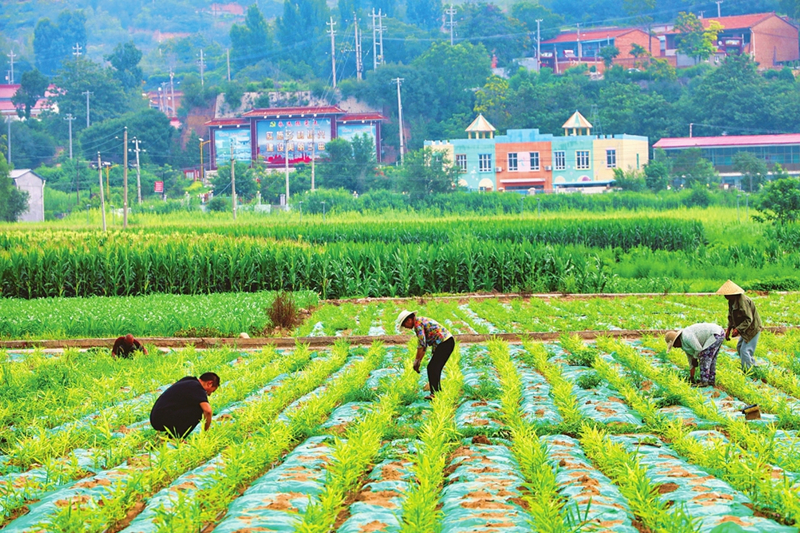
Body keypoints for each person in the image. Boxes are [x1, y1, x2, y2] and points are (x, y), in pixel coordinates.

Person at [397, 310, 454, 399]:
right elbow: (423, 345)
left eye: (404, 325)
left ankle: (435, 394)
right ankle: (436, 392)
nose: (406, 327)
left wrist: (417, 361)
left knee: (433, 367)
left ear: (409, 320)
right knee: (433, 367)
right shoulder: (420, 321)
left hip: (445, 343)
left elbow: (422, 345)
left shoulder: (418, 325)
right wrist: (418, 360)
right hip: (446, 342)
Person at [149, 372, 221, 438]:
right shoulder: (197, 387)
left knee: (194, 406)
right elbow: (208, 411)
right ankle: (176, 438)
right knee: (198, 410)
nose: (209, 394)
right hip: (161, 418)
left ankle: (172, 435)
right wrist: (206, 432)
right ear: (209, 383)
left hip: (157, 417)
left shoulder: (188, 380)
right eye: (212, 390)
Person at [717, 280, 762, 370]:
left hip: (752, 328)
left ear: (733, 294)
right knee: (739, 347)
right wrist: (729, 329)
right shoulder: (731, 301)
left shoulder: (743, 301)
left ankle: (748, 370)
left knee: (745, 351)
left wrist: (737, 329)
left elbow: (748, 319)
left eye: (727, 294)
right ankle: (754, 368)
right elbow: (731, 316)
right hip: (745, 328)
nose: (725, 296)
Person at [665, 323, 726, 387]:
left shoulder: (686, 337)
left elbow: (698, 349)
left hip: (715, 334)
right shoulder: (684, 344)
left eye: (673, 345)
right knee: (711, 359)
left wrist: (695, 358)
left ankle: (704, 382)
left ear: (676, 340)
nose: (675, 347)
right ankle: (711, 380)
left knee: (704, 356)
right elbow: (691, 361)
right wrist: (691, 377)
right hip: (718, 333)